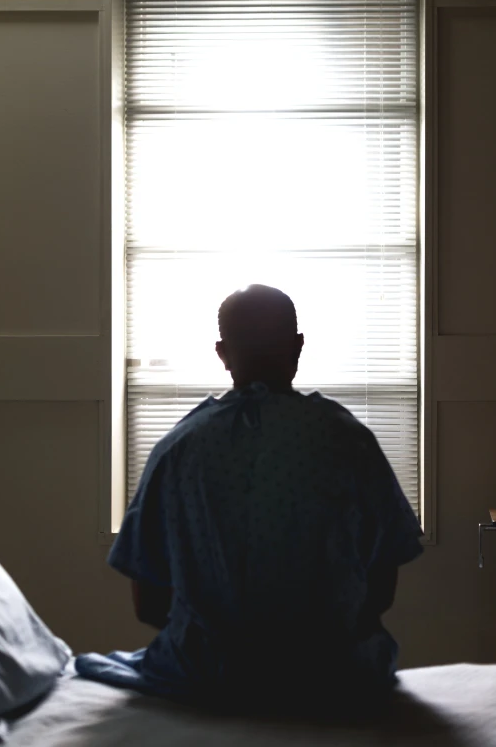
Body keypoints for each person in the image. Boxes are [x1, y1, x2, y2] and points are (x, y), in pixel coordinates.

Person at [76, 284, 423, 716]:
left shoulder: (178, 447)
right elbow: (382, 588)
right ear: (297, 347)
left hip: (205, 676)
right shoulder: (348, 439)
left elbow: (147, 604)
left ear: (222, 353)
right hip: (334, 677)